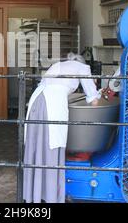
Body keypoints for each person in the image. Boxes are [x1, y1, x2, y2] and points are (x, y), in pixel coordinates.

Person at [23, 53, 101, 203]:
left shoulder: (56, 66)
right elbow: (93, 100)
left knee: (36, 145)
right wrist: (96, 94)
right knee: (51, 146)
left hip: (36, 101)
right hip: (52, 104)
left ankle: (34, 194)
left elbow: (54, 85)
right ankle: (51, 196)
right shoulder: (83, 68)